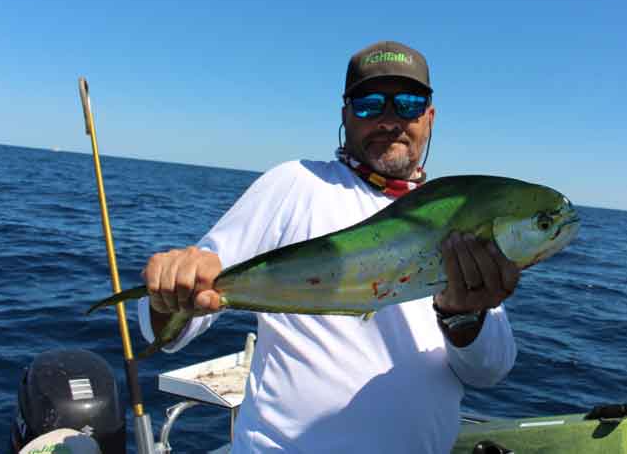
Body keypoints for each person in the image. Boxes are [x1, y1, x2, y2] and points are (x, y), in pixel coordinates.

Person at [138, 40, 521, 453]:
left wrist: (464, 317)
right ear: (345, 114)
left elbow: (488, 372)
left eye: (408, 103)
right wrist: (168, 295)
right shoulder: (294, 184)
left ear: (429, 117)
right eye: (369, 103)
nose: (389, 119)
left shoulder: (456, 219)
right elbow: (179, 321)